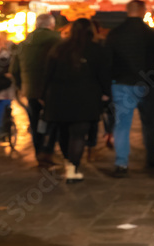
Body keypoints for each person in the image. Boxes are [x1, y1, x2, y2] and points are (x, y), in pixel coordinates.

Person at [105, 0, 154, 176]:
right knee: (149, 123)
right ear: (143, 11)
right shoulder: (152, 34)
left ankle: (121, 163)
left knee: (122, 124)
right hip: (147, 84)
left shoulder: (115, 34)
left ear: (128, 10)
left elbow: (107, 62)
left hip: (121, 84)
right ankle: (152, 157)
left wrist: (107, 85)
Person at [42, 18, 110, 182]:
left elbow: (47, 74)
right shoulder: (96, 50)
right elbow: (104, 74)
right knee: (79, 134)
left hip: (59, 96)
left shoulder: (59, 48)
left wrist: (43, 95)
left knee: (64, 132)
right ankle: (73, 168)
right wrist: (106, 93)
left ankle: (68, 161)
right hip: (86, 97)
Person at [11, 13, 60, 165]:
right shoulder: (57, 40)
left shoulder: (24, 43)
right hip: (53, 88)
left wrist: (21, 85)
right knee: (55, 120)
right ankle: (48, 150)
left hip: (31, 89)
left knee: (34, 119)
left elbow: (14, 69)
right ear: (51, 25)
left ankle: (38, 151)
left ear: (36, 25)